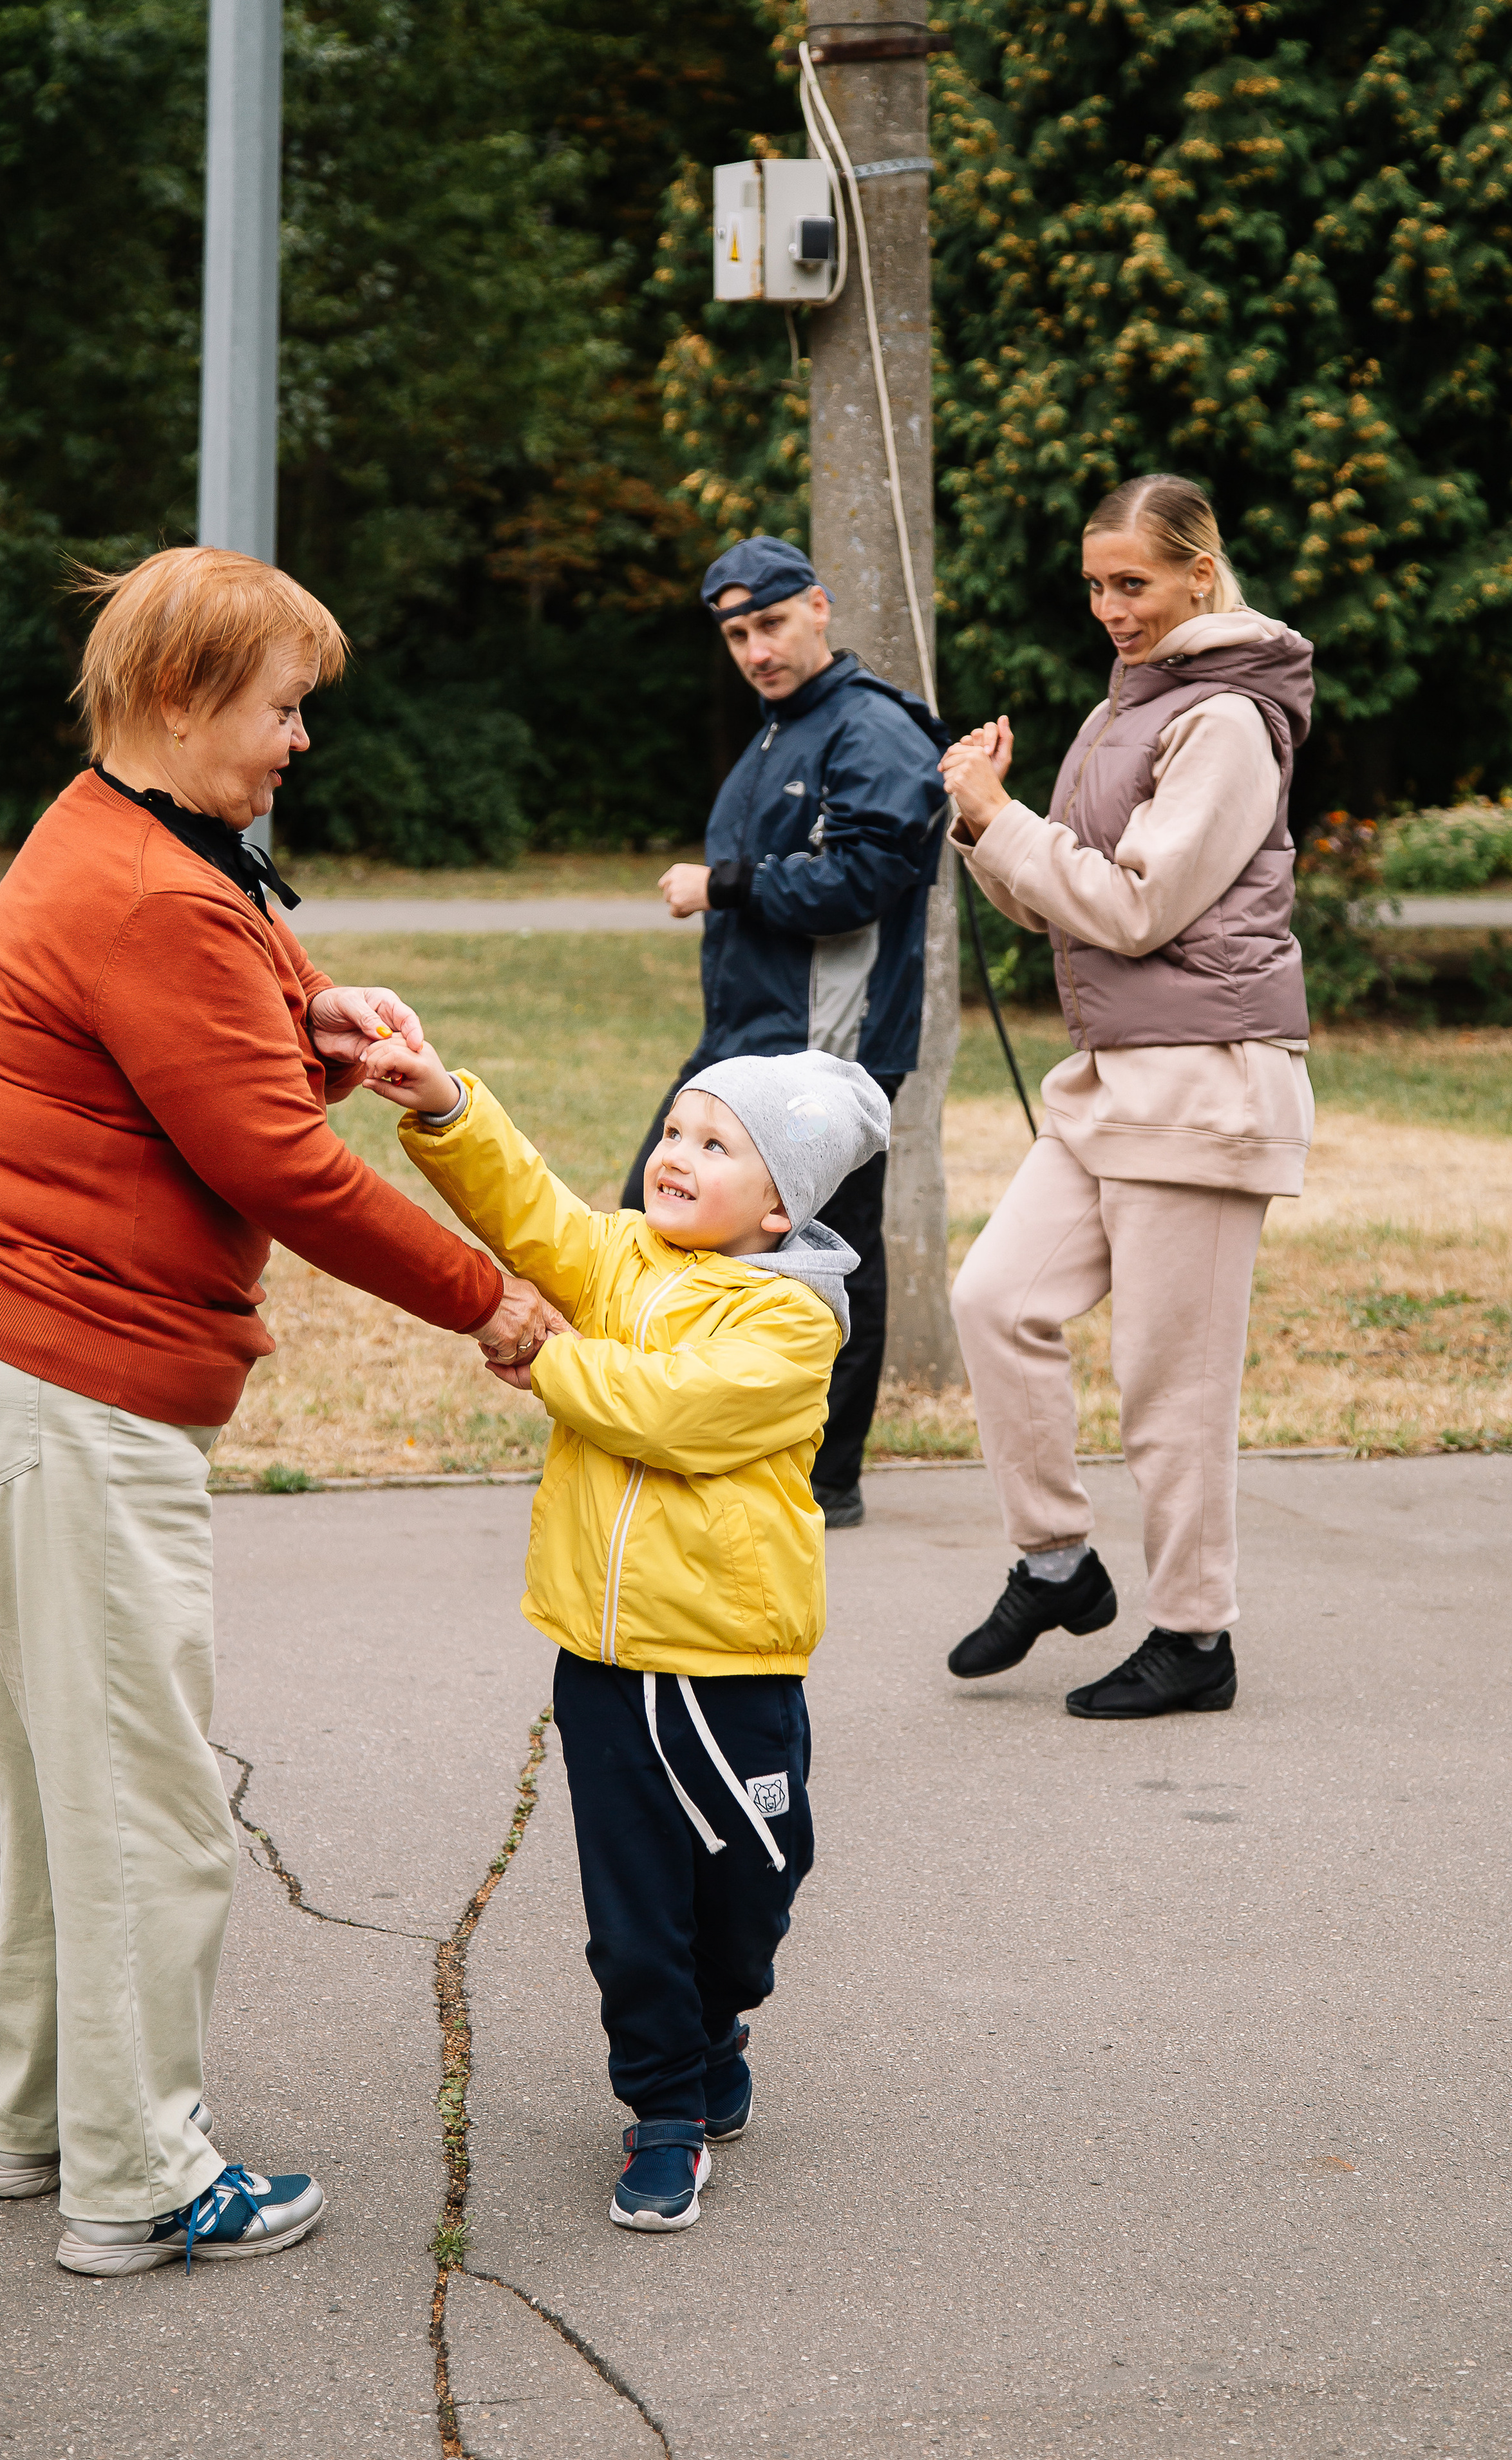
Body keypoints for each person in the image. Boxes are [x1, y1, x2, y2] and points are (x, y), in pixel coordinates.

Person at [0, 546, 560, 2278]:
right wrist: (495, 1298)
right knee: (148, 1801)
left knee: (68, 1780)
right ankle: (142, 2180)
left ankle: (41, 2126)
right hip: (58, 1381)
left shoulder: (124, 834)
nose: (300, 741)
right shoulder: (155, 888)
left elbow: (198, 1069)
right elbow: (275, 1169)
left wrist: (307, 1028)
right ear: (181, 700)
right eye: (282, 706)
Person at [368, 1028, 890, 2229]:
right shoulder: (625, 1261)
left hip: (725, 1663)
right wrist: (448, 1104)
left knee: (755, 1884)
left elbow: (671, 1413)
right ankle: (662, 2106)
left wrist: (548, 1354)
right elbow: (533, 1210)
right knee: (633, 1906)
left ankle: (720, 2021)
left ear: (778, 1209)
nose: (676, 1154)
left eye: (717, 1145)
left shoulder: (792, 1326)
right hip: (602, 1662)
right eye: (673, 1130)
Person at [941, 474, 1315, 1719]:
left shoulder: (1227, 722)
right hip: (1112, 1085)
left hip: (1206, 1093)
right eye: (1096, 584)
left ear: (1200, 575)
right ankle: (1056, 1563)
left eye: (1134, 583)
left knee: (1172, 1390)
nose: (1110, 606)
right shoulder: (1131, 708)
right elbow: (1065, 893)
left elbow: (1139, 908)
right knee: (995, 1300)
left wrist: (1012, 822)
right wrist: (979, 826)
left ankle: (1196, 1639)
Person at [621, 533, 950, 1530]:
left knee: (828, 1255)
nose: (756, 649)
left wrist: (720, 884)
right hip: (754, 1039)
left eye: (770, 623)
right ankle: (730, 1444)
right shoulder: (781, 729)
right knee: (668, 1218)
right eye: (736, 634)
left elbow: (866, 879)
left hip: (827, 1052)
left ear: (819, 608)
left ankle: (823, 1479)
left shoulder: (870, 730)